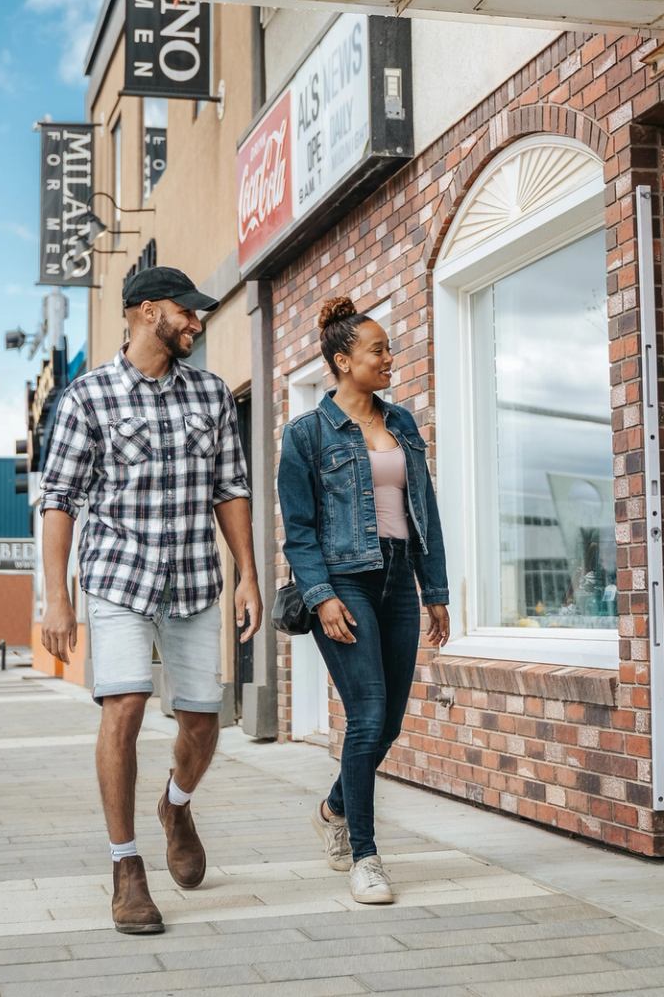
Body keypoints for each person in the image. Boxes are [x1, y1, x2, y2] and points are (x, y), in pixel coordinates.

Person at [39, 265, 262, 936]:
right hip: (118, 577)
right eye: (185, 312)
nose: (196, 322)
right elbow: (58, 502)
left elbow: (231, 488)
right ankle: (126, 865)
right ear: (143, 311)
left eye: (199, 315)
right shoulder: (87, 399)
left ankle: (176, 805)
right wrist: (58, 599)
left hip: (194, 577)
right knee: (127, 704)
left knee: (203, 722)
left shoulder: (213, 394)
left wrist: (248, 573)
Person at [277, 297, 449, 906]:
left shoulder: (401, 423)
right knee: (369, 717)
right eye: (377, 350)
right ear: (343, 359)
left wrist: (437, 591)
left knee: (390, 723)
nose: (388, 358)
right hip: (344, 582)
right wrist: (321, 596)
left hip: (400, 580)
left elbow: (422, 510)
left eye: (387, 348)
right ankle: (365, 853)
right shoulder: (306, 435)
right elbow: (298, 530)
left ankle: (331, 807)